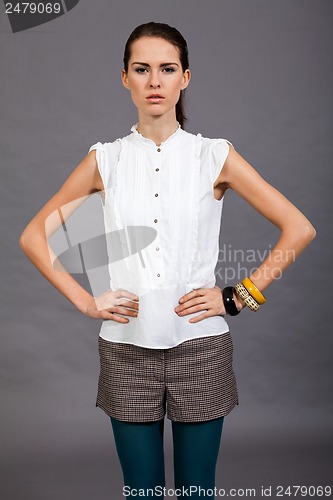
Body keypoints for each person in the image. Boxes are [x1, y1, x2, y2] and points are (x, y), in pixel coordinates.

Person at [19, 21, 315, 499]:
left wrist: (238, 297)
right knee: (142, 491)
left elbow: (299, 227)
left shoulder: (212, 156)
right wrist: (86, 300)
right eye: (142, 69)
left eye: (166, 68)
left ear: (185, 78)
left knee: (198, 491)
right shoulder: (105, 160)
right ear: (125, 79)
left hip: (200, 348)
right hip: (125, 349)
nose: (154, 81)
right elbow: (34, 236)